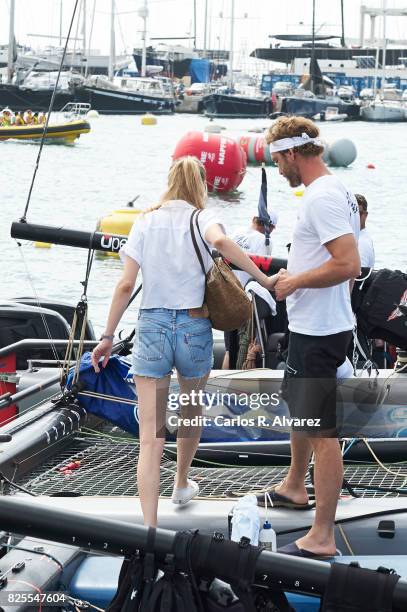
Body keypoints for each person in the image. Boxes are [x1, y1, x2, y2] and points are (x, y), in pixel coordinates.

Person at [90, 156, 279, 527]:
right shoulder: (202, 217)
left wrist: (108, 337)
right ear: (200, 184)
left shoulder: (145, 220)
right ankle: (180, 484)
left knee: (150, 437)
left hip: (153, 328)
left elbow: (126, 284)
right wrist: (263, 277)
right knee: (191, 413)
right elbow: (222, 242)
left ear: (170, 181)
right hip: (193, 329)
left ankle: (150, 528)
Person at [265, 116, 360, 558]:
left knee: (322, 432)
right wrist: (296, 276)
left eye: (276, 158)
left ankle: (321, 536)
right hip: (317, 326)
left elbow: (347, 264)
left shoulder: (321, 197)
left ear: (291, 154)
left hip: (320, 330)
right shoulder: (332, 189)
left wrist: (296, 282)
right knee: (302, 413)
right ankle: (293, 486)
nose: (276, 167)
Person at [222, 209, 278, 369]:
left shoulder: (236, 233)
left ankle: (221, 386)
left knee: (228, 349)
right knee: (247, 347)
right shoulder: (264, 241)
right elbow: (264, 274)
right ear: (271, 228)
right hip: (246, 301)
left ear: (253, 218)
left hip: (226, 296)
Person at [355, 193, 375, 268]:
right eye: (351, 213)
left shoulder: (361, 243)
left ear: (365, 215)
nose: (354, 217)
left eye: (358, 213)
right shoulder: (358, 237)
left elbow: (358, 277)